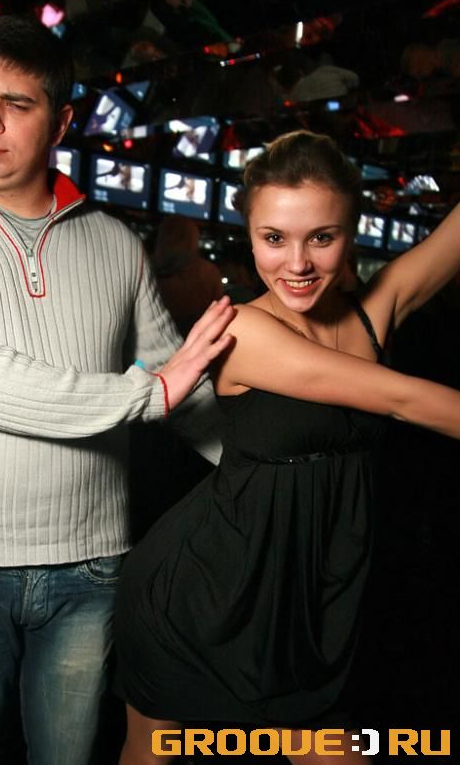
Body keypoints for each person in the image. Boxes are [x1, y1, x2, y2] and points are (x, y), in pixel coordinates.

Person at [0, 14, 234, 765]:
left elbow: (180, 380)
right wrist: (147, 394)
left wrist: (269, 467)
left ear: (62, 122)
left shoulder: (114, 241)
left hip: (93, 560)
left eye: (18, 102)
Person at [114, 130, 460, 764]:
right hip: (204, 591)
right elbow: (405, 399)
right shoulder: (245, 330)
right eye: (274, 238)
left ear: (352, 233)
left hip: (307, 598)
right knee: (153, 751)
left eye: (321, 237)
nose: (296, 264)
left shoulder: (371, 313)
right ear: (249, 237)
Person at [153, 214, 224, 336]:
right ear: (193, 239)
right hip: (195, 339)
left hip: (156, 338)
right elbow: (218, 310)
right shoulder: (209, 272)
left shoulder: (146, 268)